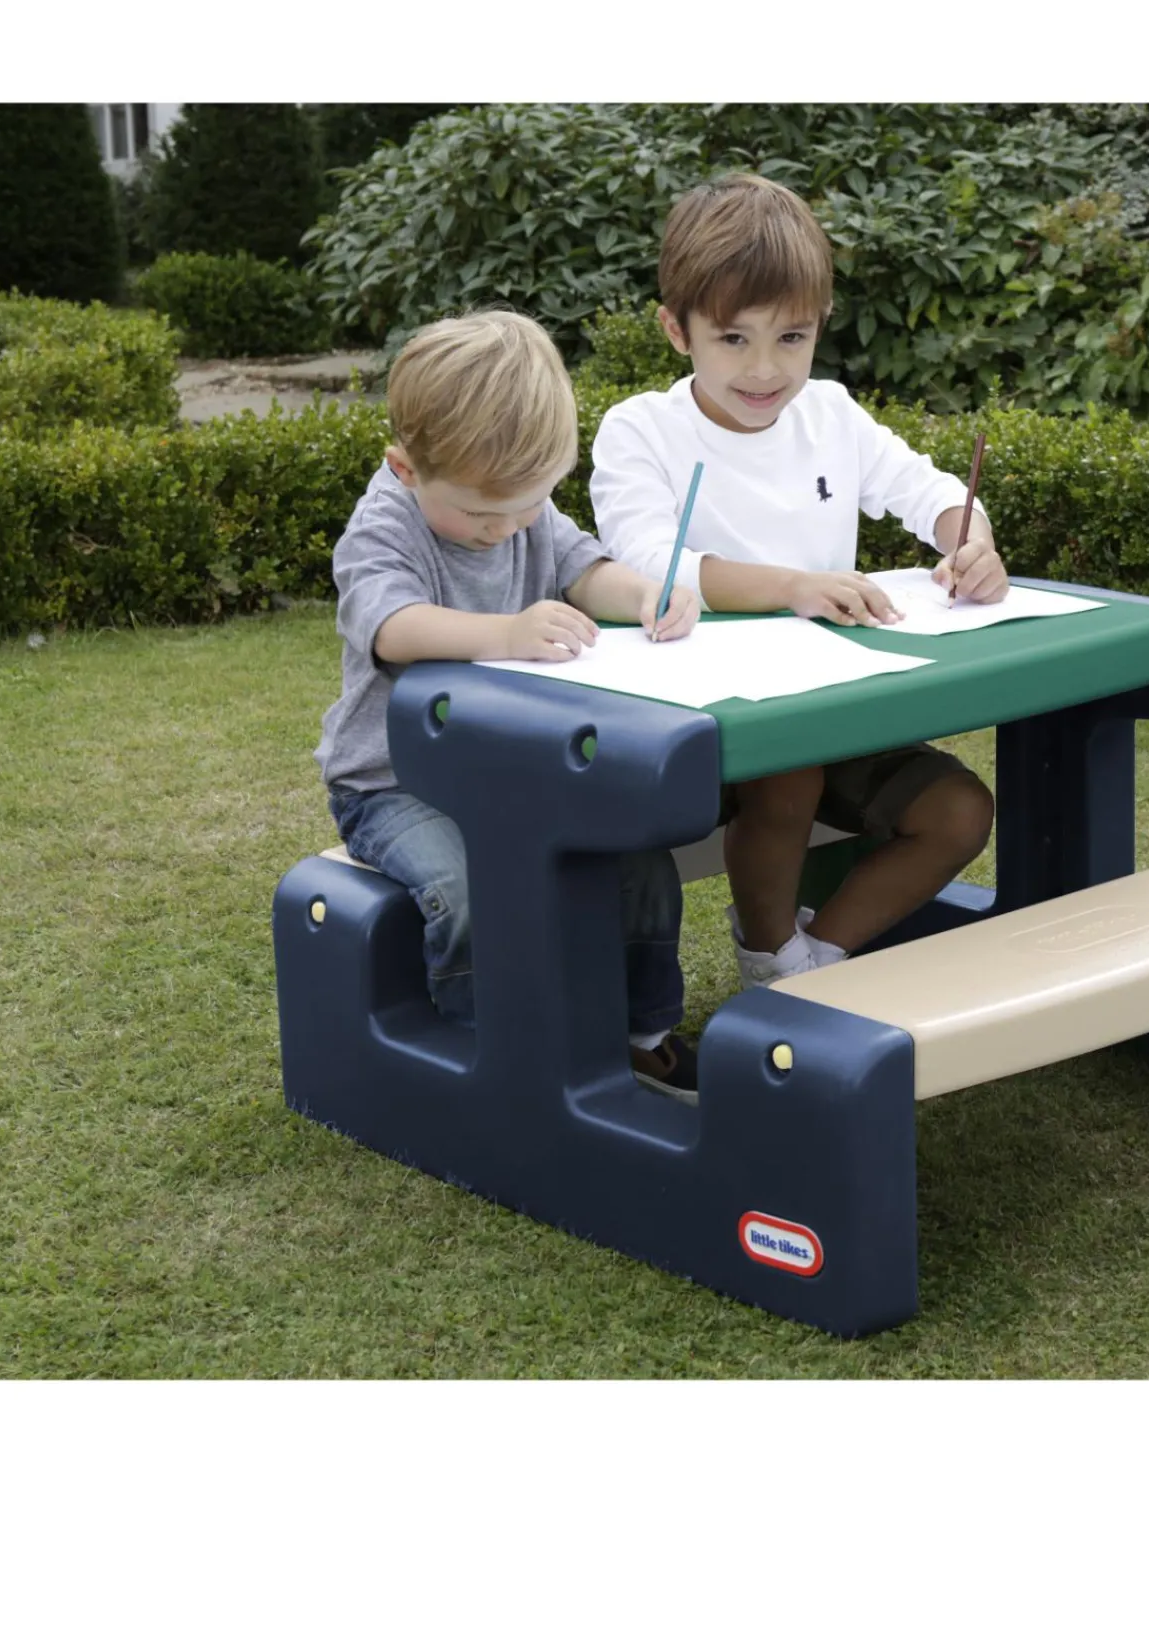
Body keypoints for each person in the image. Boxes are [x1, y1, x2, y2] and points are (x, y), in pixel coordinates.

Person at [590, 172, 1009, 990]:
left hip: (839, 710)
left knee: (961, 812)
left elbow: (929, 492)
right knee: (790, 770)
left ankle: (808, 966)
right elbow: (647, 562)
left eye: (791, 337)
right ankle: (771, 953)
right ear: (677, 331)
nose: (765, 369)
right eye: (733, 338)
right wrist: (793, 585)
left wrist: (972, 542)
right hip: (703, 726)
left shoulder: (832, 415)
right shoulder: (640, 430)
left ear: (821, 324)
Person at [315, 309, 702, 1098]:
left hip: (522, 772)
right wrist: (506, 633)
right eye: (481, 513)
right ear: (405, 468)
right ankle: (488, 1053)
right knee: (467, 894)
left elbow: (586, 569)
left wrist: (644, 593)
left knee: (641, 866)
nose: (506, 529)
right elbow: (391, 627)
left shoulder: (527, 511)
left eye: (528, 506)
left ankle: (638, 1036)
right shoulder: (385, 527)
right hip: (394, 786)